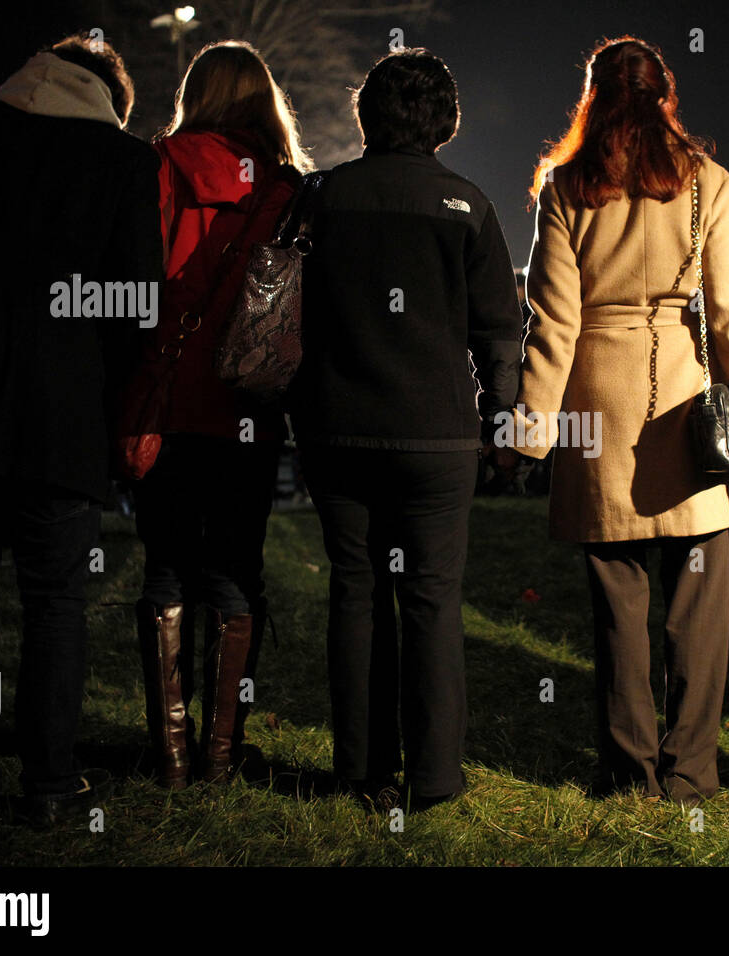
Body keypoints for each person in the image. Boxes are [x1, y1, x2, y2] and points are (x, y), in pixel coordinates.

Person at [509, 37, 729, 805]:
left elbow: (553, 323)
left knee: (617, 609)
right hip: (686, 408)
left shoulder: (566, 187)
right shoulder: (708, 184)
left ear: (590, 102)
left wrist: (529, 430)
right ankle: (692, 774)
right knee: (698, 613)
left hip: (599, 409)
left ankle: (630, 776)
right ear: (668, 98)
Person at [0, 35, 161, 825]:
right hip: (63, 414)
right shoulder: (121, 162)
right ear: (111, 97)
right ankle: (49, 781)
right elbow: (138, 303)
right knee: (55, 604)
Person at [289, 49, 523, 811]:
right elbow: (498, 330)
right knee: (431, 600)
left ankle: (361, 769)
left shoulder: (320, 197)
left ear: (367, 116)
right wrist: (500, 417)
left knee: (355, 594)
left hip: (337, 427)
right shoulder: (468, 205)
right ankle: (435, 776)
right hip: (436, 435)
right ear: (446, 121)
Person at [130, 40, 314, 788]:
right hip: (247, 403)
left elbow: (139, 280)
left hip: (166, 397)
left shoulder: (160, 165)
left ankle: (170, 757)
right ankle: (220, 753)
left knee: (166, 565)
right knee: (236, 568)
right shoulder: (285, 185)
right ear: (263, 101)